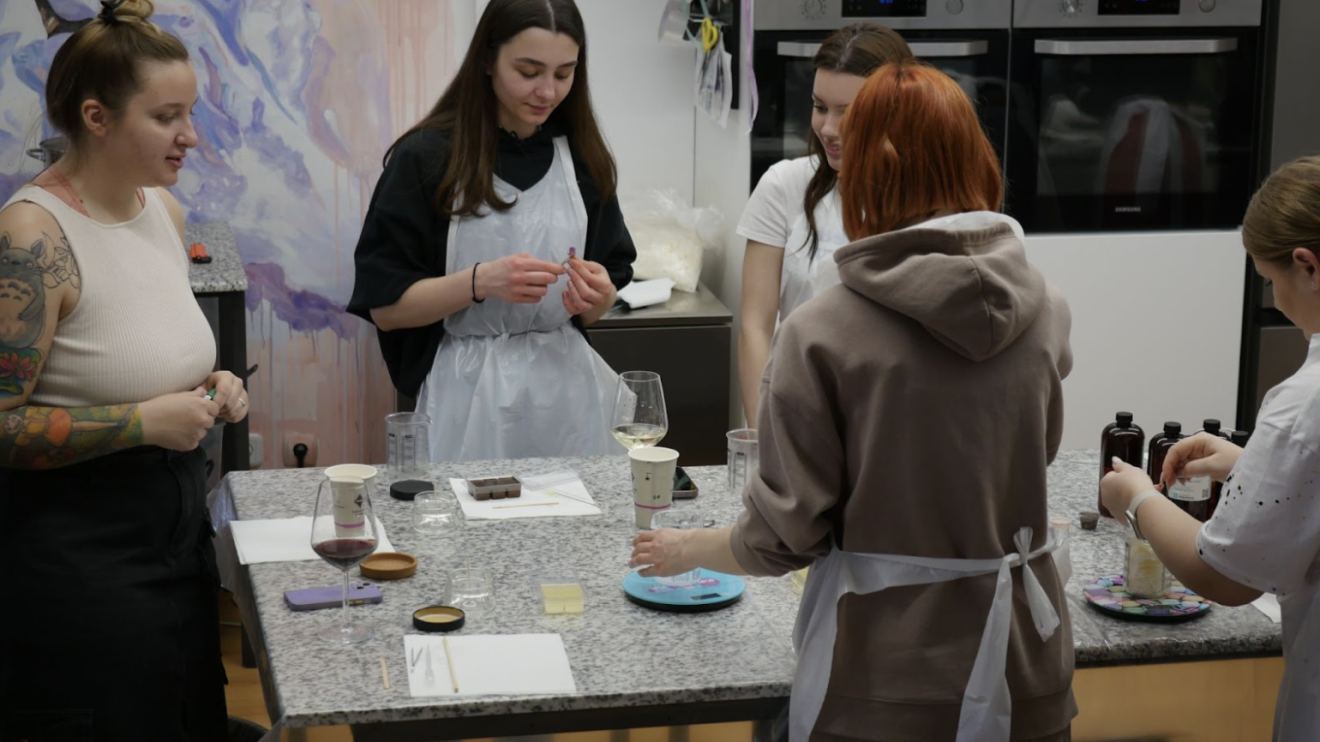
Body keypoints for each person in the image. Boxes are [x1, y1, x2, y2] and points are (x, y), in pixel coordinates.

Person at [632, 61, 1075, 741]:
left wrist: (685, 547)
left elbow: (782, 537)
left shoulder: (823, 331)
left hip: (886, 676)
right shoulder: (1046, 309)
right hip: (1027, 667)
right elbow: (1027, 459)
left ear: (869, 175)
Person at [0, 1, 246, 739]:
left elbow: (136, 358)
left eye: (190, 112)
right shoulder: (32, 239)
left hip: (177, 542)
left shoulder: (161, 210)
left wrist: (211, 388)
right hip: (79, 564)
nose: (191, 135)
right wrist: (141, 423)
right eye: (167, 117)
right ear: (97, 117)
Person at [348, 0, 635, 463]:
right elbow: (386, 309)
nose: (548, 91)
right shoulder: (425, 159)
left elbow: (597, 304)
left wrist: (597, 295)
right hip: (464, 397)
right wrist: (480, 282)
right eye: (528, 71)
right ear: (486, 60)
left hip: (568, 401)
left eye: (564, 74)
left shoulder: (583, 160)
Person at [1102, 156, 1320, 740]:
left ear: (1308, 266)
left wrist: (1138, 498)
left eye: (1270, 279)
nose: (1276, 300)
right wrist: (1251, 464)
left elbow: (1228, 578)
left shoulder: (1306, 401)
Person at [736, 23, 912, 426]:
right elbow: (755, 325)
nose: (829, 129)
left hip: (890, 420)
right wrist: (765, 436)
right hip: (796, 408)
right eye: (820, 107)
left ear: (896, 109)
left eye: (848, 112)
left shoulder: (927, 202)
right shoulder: (785, 185)